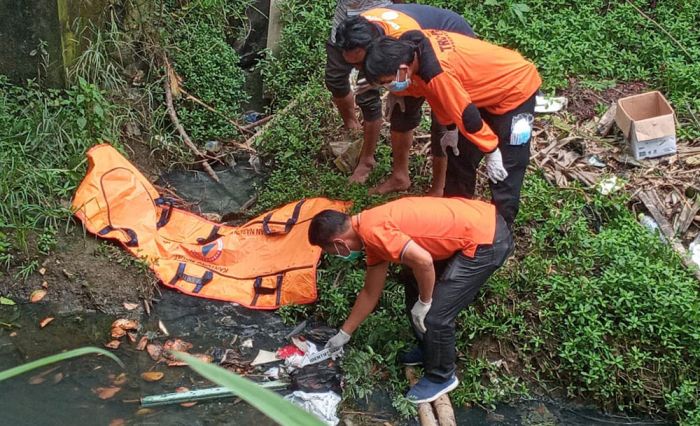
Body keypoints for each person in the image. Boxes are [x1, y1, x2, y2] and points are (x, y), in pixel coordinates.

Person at [308, 197, 514, 403]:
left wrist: (425, 303)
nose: (337, 256)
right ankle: (430, 350)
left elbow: (424, 261)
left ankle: (441, 376)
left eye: (332, 253)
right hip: (478, 223)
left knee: (435, 315)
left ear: (339, 243)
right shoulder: (368, 229)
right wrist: (344, 334)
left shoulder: (374, 232)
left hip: (486, 239)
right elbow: (370, 292)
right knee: (413, 285)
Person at [363, 30, 542, 226]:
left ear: (403, 68)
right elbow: (436, 94)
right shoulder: (411, 47)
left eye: (387, 82)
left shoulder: (437, 71)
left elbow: (465, 113)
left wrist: (491, 150)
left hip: (515, 89)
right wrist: (450, 128)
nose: (388, 87)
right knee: (459, 156)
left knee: (506, 167)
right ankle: (454, 218)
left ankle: (499, 233)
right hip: (474, 92)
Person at [333, 5, 476, 195]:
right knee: (400, 112)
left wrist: (396, 87)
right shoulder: (360, 27)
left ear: (376, 47)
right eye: (352, 64)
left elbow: (426, 75)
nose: (359, 69)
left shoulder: (402, 38)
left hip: (449, 51)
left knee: (442, 122)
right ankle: (400, 176)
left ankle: (438, 188)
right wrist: (393, 88)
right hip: (415, 54)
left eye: (360, 63)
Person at [325, 0, 394, 183]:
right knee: (334, 78)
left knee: (367, 95)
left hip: (374, 23)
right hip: (344, 22)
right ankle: (352, 125)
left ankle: (367, 160)